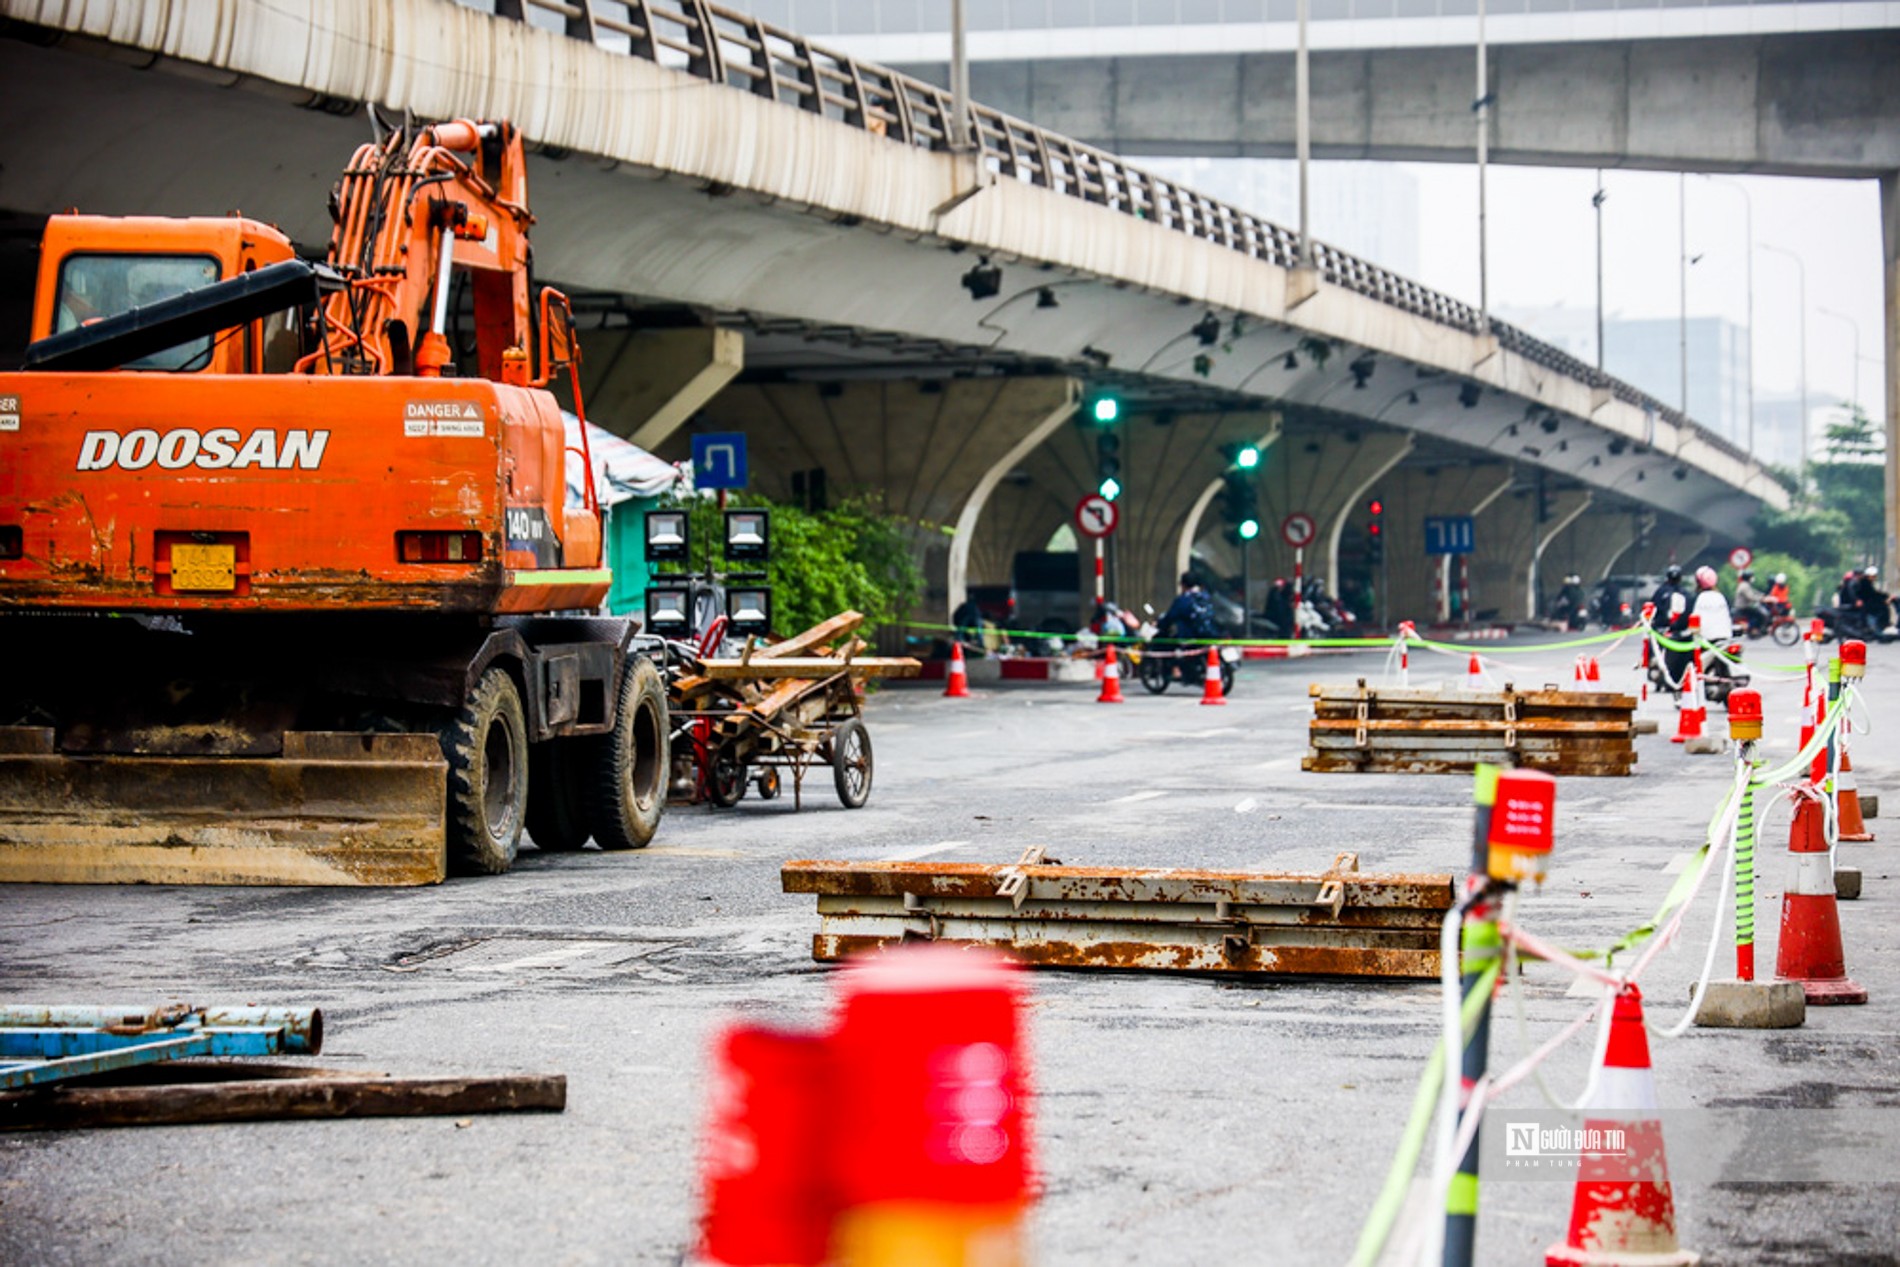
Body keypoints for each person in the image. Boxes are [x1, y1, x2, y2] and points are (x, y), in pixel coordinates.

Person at [1690, 565, 1733, 641]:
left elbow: (1694, 620)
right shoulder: (1720, 596)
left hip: (1705, 640)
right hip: (1725, 638)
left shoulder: (1699, 598)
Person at [1733, 569, 1768, 636]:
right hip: (1743, 607)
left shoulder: (1745, 585)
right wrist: (1762, 599)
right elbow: (1750, 597)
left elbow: (1754, 592)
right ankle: (1752, 629)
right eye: (1751, 577)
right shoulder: (1744, 586)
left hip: (1745, 606)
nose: (1753, 578)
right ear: (1748, 577)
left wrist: (1763, 595)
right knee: (1759, 615)